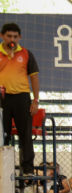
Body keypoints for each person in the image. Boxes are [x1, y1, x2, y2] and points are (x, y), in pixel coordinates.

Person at [0, 23, 38, 175]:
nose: (12, 39)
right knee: (3, 134)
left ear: (20, 37)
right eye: (9, 36)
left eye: (15, 36)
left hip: (22, 98)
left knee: (26, 134)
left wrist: (35, 100)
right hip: (2, 97)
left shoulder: (26, 54)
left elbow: (34, 77)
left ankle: (28, 168)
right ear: (2, 36)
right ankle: (3, 167)